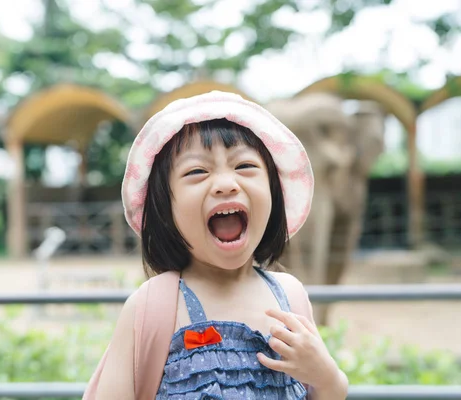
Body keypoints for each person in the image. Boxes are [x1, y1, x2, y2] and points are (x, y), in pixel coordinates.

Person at [93, 91, 348, 399]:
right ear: (165, 208)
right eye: (197, 171)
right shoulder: (152, 305)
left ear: (273, 191)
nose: (227, 183)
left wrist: (329, 380)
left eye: (244, 166)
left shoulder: (290, 297)